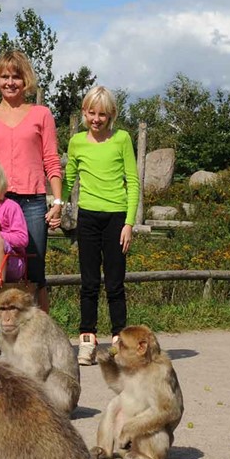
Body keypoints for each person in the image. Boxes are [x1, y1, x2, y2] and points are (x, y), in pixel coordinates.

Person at [0, 49, 63, 310]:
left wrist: (57, 202)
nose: (10, 82)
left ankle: (42, 335)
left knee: (34, 271)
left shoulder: (41, 114)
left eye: (16, 77)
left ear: (26, 81)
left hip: (32, 203)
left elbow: (52, 160)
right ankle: (6, 333)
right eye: (4, 77)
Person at [62, 86, 140, 366]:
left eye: (102, 115)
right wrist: (58, 204)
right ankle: (87, 340)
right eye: (91, 113)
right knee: (89, 282)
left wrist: (129, 223)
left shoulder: (122, 139)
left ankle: (120, 341)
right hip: (88, 217)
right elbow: (69, 177)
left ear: (111, 115)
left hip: (117, 217)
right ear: (84, 113)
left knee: (116, 283)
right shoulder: (77, 142)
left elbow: (133, 182)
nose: (96, 119)